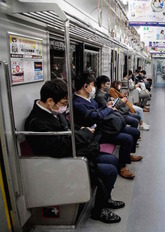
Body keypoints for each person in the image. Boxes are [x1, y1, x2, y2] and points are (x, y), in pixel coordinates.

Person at [25, 79, 123, 223]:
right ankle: (98, 211)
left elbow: (67, 129)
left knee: (113, 160)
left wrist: (82, 130)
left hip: (72, 152)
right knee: (109, 170)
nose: (65, 107)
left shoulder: (52, 111)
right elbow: (60, 147)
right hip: (60, 161)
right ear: (51, 101)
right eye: (64, 104)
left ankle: (105, 198)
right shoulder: (37, 122)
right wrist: (86, 134)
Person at [73, 73, 143, 180]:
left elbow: (98, 111)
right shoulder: (78, 103)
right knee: (127, 138)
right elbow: (94, 116)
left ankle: (127, 154)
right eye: (92, 85)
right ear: (85, 86)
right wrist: (108, 109)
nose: (94, 88)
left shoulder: (89, 99)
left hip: (104, 126)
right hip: (97, 132)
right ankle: (122, 167)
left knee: (135, 132)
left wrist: (106, 107)